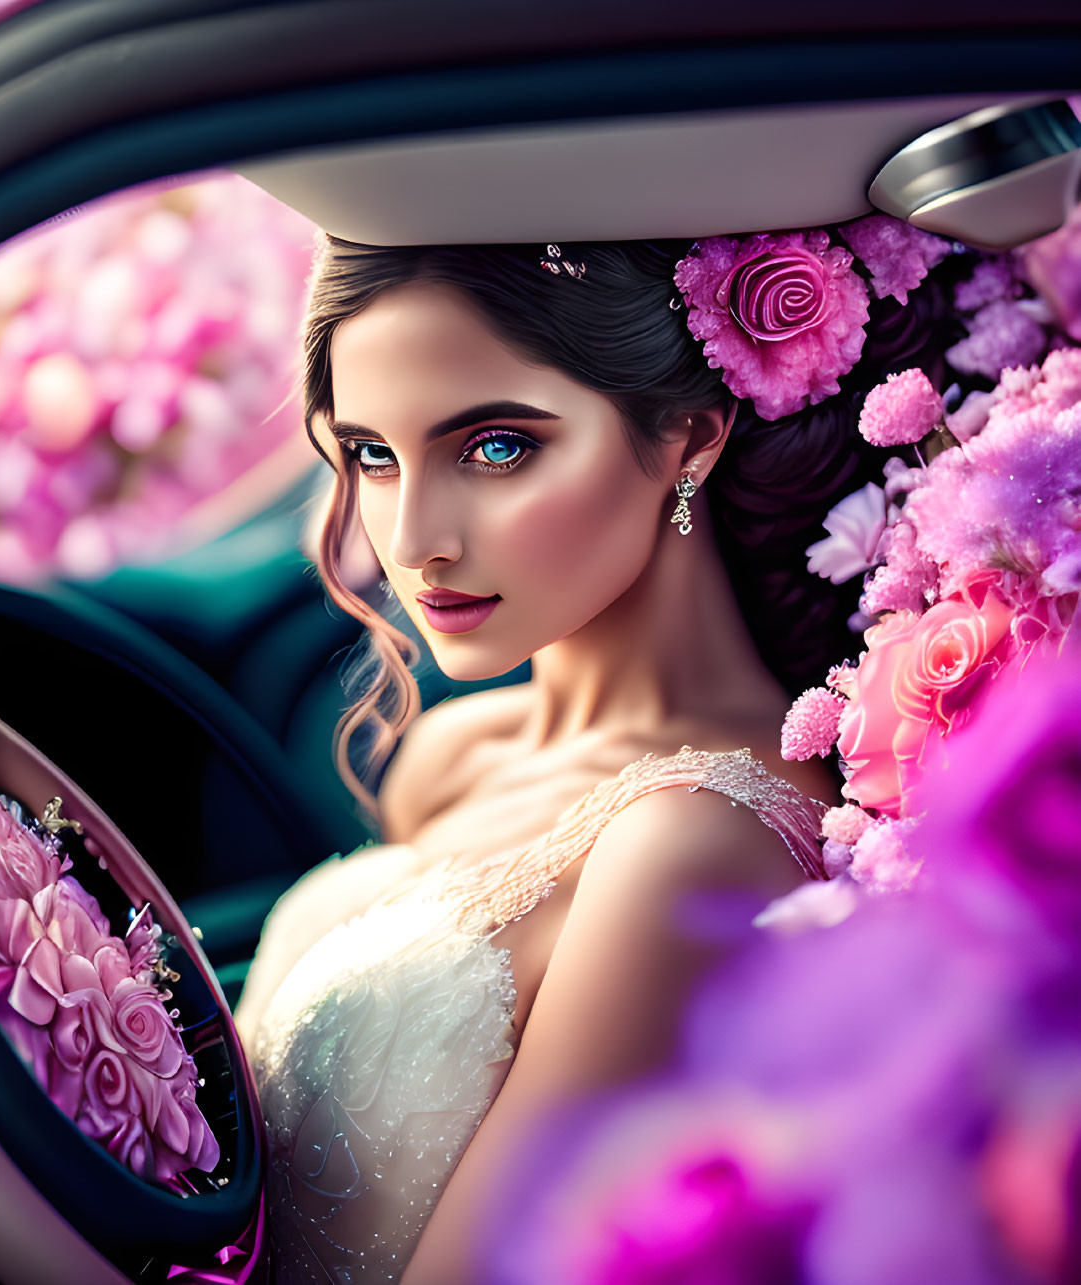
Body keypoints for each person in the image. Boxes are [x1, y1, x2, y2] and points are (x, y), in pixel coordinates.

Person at [230, 230, 960, 1282]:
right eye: (374, 455)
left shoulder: (695, 839)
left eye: (493, 448)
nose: (414, 535)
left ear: (689, 440)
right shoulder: (453, 751)